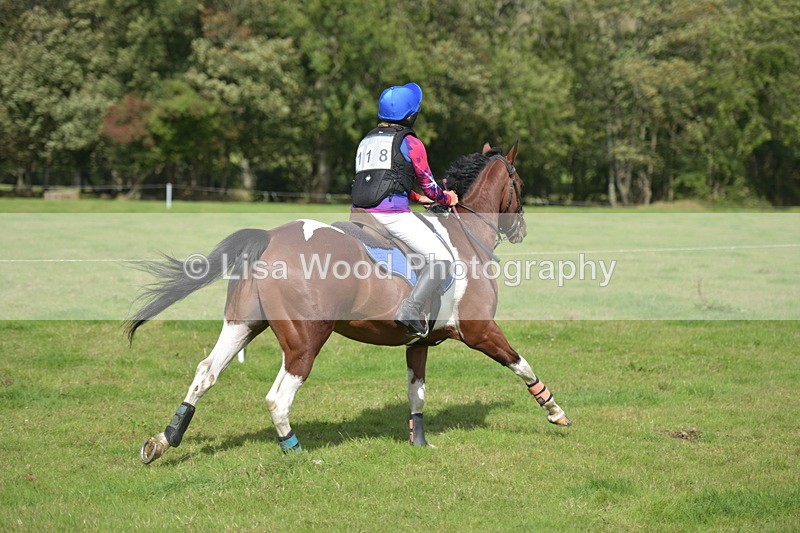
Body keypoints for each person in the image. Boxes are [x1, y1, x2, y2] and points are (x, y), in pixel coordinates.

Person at [351, 82, 459, 337]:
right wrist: (447, 198)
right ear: (411, 116)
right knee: (443, 259)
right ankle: (410, 309)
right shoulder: (411, 142)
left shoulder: (367, 140)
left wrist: (413, 197)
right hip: (391, 217)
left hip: (359, 214)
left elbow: (382, 180)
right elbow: (431, 187)